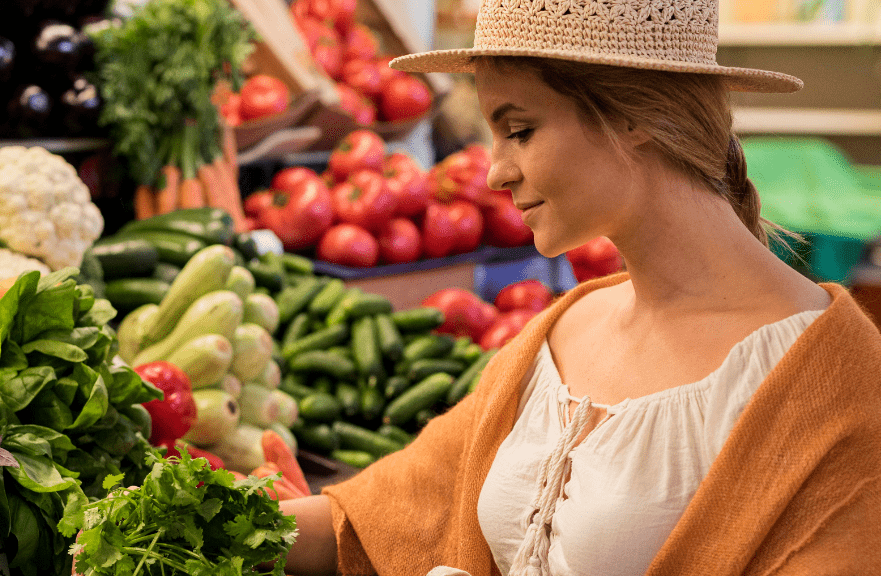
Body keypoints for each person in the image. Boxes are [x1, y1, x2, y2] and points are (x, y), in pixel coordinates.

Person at [278, 0, 881, 574]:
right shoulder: (564, 328)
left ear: (632, 115)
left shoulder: (838, 381)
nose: (494, 172)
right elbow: (386, 515)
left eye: (520, 130)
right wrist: (221, 515)